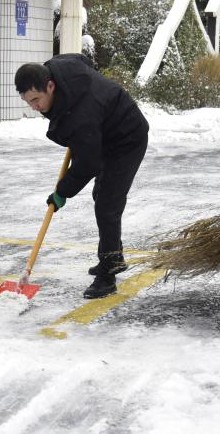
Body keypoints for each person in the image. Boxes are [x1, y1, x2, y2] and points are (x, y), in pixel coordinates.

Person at [15, 54, 148, 299]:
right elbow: (82, 59)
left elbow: (88, 163)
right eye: (28, 102)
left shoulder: (80, 115)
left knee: (108, 205)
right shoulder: (59, 69)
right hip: (102, 132)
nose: (34, 107)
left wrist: (61, 192)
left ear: (50, 85)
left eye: (36, 100)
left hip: (127, 137)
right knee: (101, 194)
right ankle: (115, 258)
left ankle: (108, 275)